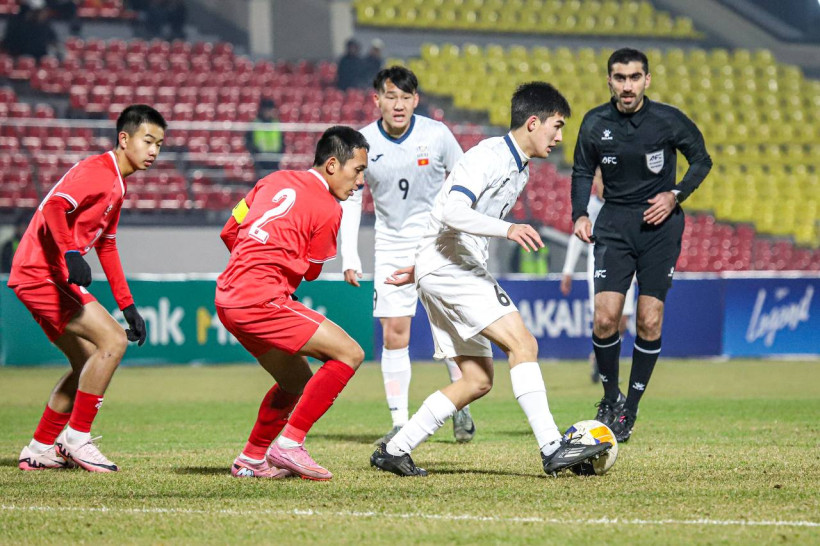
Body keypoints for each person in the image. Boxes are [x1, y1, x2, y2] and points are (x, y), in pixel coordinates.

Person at [369, 82, 612, 477]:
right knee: (523, 343)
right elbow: (451, 208)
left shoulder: (519, 166)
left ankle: (396, 448)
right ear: (533, 122)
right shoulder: (490, 156)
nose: (560, 136)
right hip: (451, 266)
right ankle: (552, 446)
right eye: (557, 125)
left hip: (441, 265)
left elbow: (451, 218)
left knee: (478, 379)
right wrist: (507, 229)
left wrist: (422, 266)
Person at [12, 104, 165, 472]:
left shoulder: (118, 184)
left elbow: (107, 245)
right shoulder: (97, 171)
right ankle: (76, 439)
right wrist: (69, 253)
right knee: (112, 341)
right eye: (148, 141)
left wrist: (128, 306)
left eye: (160, 144)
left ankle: (39, 448)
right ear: (124, 138)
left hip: (41, 274)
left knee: (85, 361)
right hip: (41, 272)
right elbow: (53, 209)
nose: (154, 151)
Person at [571, 48, 712, 442]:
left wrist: (675, 195)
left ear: (647, 80)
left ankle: (629, 409)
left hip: (659, 227)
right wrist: (580, 214)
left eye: (635, 77)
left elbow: (701, 160)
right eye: (620, 78)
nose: (627, 85)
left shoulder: (668, 120)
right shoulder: (595, 122)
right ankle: (610, 397)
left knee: (649, 320)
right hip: (614, 221)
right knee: (605, 318)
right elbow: (582, 170)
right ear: (609, 81)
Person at [217, 126, 369, 481]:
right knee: (350, 353)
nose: (360, 182)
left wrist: (253, 265)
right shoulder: (330, 210)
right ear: (332, 165)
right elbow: (312, 272)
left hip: (228, 297)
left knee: (295, 379)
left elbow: (229, 231)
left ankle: (252, 458)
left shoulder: (272, 180)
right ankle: (290, 444)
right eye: (357, 171)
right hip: (259, 299)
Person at [339, 66, 472, 446]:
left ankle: (460, 403)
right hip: (392, 245)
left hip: (437, 241)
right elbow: (351, 199)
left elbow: (465, 178)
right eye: (390, 97)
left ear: (416, 100)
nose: (398, 105)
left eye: (405, 97)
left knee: (447, 328)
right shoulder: (362, 142)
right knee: (394, 333)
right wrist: (349, 254)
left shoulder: (437, 135)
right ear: (376, 99)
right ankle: (399, 421)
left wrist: (464, 232)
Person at [560, 167, 636, 383]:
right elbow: (577, 238)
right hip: (599, 266)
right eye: (601, 178)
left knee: (622, 320)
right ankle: (604, 364)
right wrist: (568, 271)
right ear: (595, 179)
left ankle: (598, 356)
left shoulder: (624, 204)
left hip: (626, 267)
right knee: (603, 317)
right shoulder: (590, 208)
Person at [246, 98, 284, 178]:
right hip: (260, 160)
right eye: (268, 110)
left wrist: (280, 154)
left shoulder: (277, 123)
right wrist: (255, 154)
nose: (270, 112)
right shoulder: (255, 124)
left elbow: (282, 141)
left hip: (274, 160)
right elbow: (248, 141)